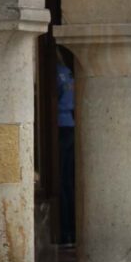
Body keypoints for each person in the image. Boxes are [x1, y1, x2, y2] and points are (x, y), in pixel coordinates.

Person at [56, 50, 76, 247]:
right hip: (70, 123)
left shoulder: (55, 72)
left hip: (59, 126)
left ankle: (64, 231)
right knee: (68, 182)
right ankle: (71, 231)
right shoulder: (67, 71)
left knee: (60, 181)